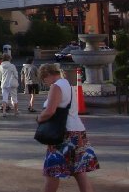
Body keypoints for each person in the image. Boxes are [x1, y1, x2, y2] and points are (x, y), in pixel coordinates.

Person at [36, 62, 98, 191]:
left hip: (63, 134)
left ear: (47, 75)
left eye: (44, 79)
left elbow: (50, 111)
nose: (45, 83)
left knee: (52, 171)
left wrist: (39, 118)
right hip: (77, 132)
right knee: (79, 171)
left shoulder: (56, 86)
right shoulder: (67, 85)